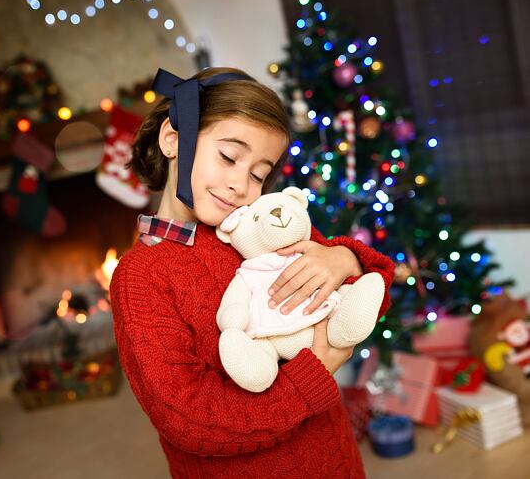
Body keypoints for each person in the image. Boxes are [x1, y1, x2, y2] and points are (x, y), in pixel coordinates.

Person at [109, 67, 395, 478]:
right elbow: (187, 420)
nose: (241, 185)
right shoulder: (141, 277)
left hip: (333, 461)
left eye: (259, 174)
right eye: (228, 156)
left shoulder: (265, 227)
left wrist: (346, 261)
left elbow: (372, 303)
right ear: (173, 139)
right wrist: (311, 376)